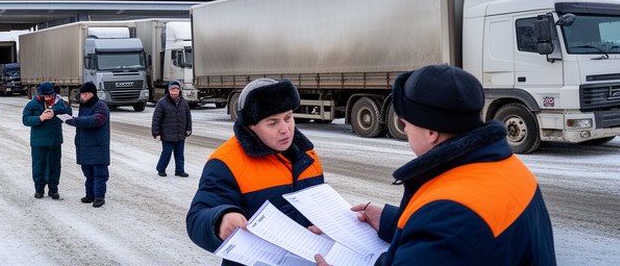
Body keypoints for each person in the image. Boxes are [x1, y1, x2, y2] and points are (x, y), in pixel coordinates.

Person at [314, 65, 555, 265]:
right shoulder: (509, 169)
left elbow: (450, 230)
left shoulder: (448, 216)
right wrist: (391, 221)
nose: (405, 129)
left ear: (431, 132)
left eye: (405, 122)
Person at [186, 78, 324, 261]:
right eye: (272, 123)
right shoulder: (226, 162)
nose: (285, 129)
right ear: (251, 126)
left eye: (288, 118)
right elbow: (196, 218)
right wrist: (220, 220)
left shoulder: (308, 155)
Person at [21, 82, 71, 200]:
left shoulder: (60, 102)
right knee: (38, 165)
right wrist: (40, 118)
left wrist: (55, 111)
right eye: (46, 96)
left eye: (50, 96)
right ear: (41, 95)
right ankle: (39, 189)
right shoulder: (32, 104)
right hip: (38, 141)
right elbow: (25, 119)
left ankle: (53, 189)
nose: (48, 98)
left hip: (55, 140)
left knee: (55, 165)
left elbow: (69, 113)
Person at [65, 82, 111, 208]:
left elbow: (96, 120)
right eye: (81, 94)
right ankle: (90, 194)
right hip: (85, 145)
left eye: (85, 94)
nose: (82, 97)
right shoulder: (84, 106)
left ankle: (99, 196)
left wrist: (75, 121)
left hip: (98, 146)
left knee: (99, 173)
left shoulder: (101, 106)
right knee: (88, 172)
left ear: (92, 94)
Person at [152, 80, 193, 177]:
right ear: (169, 90)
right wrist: (156, 133)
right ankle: (161, 169)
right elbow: (156, 119)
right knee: (166, 153)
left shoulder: (184, 103)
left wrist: (188, 129)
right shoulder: (162, 103)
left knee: (180, 154)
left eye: (177, 89)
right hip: (167, 135)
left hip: (180, 134)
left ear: (179, 91)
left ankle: (180, 170)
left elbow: (188, 117)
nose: (175, 92)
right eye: (172, 89)